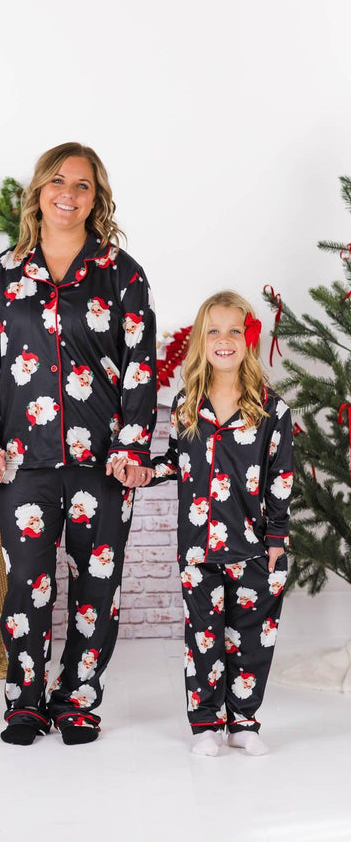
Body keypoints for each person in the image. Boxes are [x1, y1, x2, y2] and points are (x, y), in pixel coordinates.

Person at [0, 142, 157, 745]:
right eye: (57, 181)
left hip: (103, 465)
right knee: (27, 584)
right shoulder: (0, 276)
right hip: (24, 464)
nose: (68, 194)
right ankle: (25, 700)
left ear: (96, 198)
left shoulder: (121, 273)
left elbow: (140, 368)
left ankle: (77, 699)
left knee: (98, 588)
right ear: (39, 192)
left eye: (82, 185)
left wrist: (132, 447)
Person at [134, 291, 293, 757]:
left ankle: (244, 722)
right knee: (202, 638)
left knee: (251, 639)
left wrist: (277, 540)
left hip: (254, 547)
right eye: (213, 331)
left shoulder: (271, 409)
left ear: (248, 339)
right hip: (197, 549)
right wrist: (143, 473)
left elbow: (280, 478)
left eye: (234, 331)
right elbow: (175, 462)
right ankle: (206, 724)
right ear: (201, 340)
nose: (224, 340)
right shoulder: (187, 402)